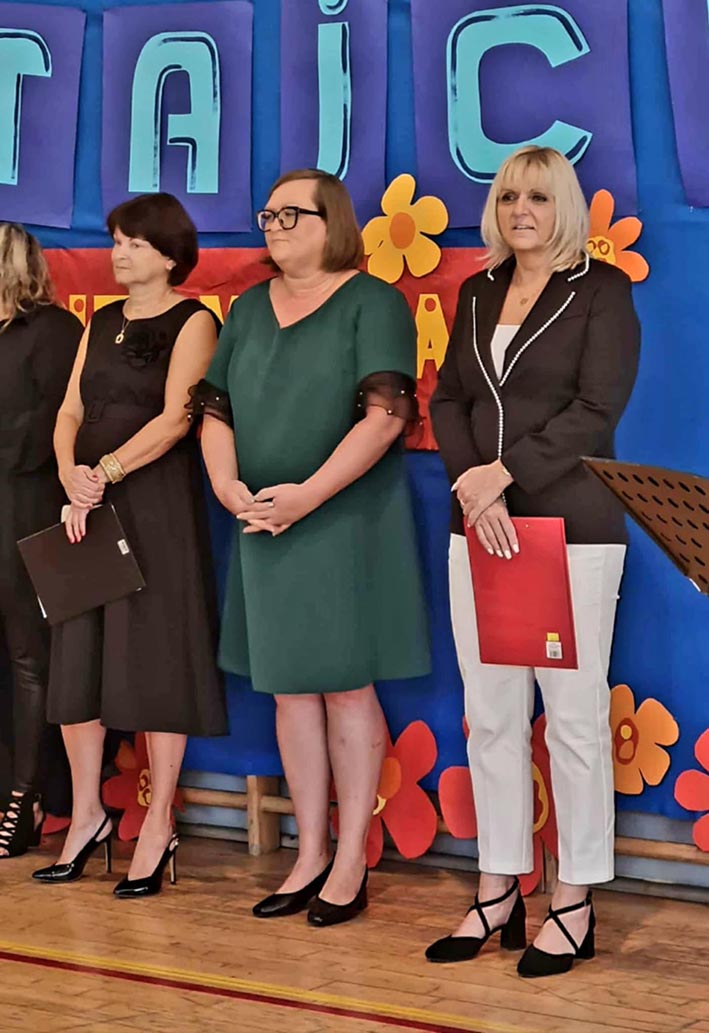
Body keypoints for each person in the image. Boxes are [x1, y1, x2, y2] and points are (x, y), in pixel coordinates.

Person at [193, 168, 430, 927]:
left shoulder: (374, 302)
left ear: (333, 222)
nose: (273, 226)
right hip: (264, 519)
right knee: (289, 689)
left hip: (343, 519)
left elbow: (385, 416)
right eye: (266, 214)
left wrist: (307, 496)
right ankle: (309, 852)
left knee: (345, 686)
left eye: (290, 214)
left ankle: (352, 855)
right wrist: (227, 484)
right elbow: (214, 409)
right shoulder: (247, 308)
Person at [426, 146, 640, 977]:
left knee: (574, 719)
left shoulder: (602, 290)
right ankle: (497, 888)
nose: (521, 209)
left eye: (539, 197)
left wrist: (504, 474)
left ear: (564, 207)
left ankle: (573, 899)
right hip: (477, 527)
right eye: (510, 195)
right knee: (490, 715)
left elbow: (596, 407)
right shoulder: (477, 290)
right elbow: (449, 397)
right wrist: (474, 488)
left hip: (569, 527)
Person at [33, 193, 227, 897]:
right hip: (84, 506)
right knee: (77, 660)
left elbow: (178, 417)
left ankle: (157, 822)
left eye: (134, 243)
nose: (119, 253)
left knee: (156, 657)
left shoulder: (194, 320)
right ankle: (87, 815)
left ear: (170, 255)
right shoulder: (102, 320)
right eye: (115, 240)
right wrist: (70, 473)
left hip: (153, 505)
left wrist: (107, 471)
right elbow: (69, 410)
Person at [0, 224, 82, 857]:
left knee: (31, 656)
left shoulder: (53, 332)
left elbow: (51, 430)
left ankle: (26, 797)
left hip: (25, 507)